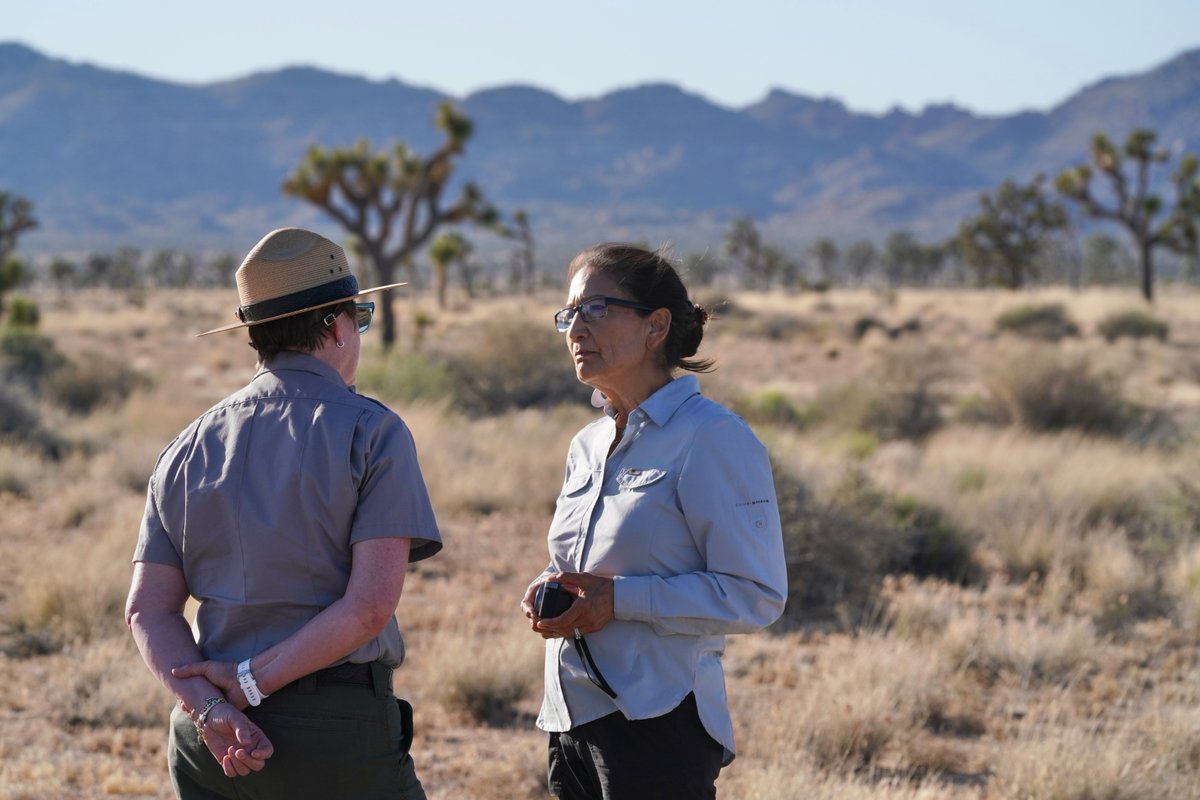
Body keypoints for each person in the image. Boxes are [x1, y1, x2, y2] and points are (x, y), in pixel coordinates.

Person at [125, 227, 442, 800]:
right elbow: (369, 607)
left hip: (211, 745)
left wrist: (210, 707)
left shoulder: (186, 445)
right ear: (338, 324)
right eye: (360, 318)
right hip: (335, 732)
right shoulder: (372, 433)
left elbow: (148, 610)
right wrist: (247, 685)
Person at [520, 243, 788, 799]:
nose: (575, 328)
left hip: (657, 722)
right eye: (568, 314)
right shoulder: (587, 444)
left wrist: (618, 601)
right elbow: (580, 561)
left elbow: (756, 593)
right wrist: (549, 584)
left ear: (656, 325)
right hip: (571, 715)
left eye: (595, 309)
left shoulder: (712, 438)